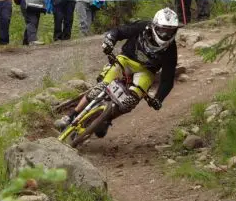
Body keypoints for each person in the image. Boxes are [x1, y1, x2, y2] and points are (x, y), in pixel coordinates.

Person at [54, 7, 180, 137]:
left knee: (129, 102)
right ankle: (71, 115)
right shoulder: (142, 26)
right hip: (126, 60)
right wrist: (110, 40)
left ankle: (106, 118)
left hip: (146, 71)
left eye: (170, 31)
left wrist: (159, 98)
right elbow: (119, 31)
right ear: (154, 25)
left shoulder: (171, 49)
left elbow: (167, 79)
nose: (165, 35)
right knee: (101, 87)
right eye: (163, 30)